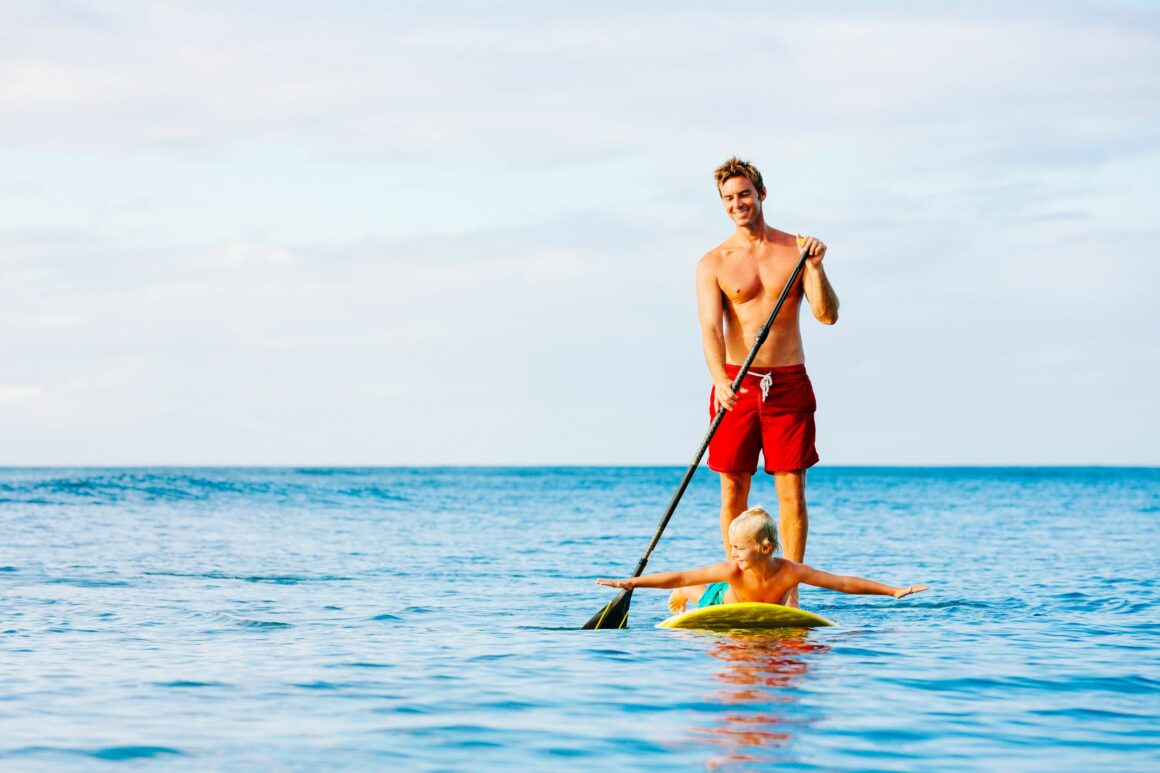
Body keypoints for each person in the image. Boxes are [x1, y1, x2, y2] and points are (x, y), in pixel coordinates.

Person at [696, 156, 839, 606]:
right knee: (733, 487)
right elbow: (709, 330)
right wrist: (720, 380)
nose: (738, 204)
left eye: (744, 194)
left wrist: (814, 268)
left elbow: (827, 315)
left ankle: (788, 590)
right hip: (736, 383)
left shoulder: (795, 251)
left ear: (761, 194)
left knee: (791, 490)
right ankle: (740, 586)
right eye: (729, 198)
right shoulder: (713, 262)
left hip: (788, 383)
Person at [597, 507, 927, 614]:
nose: (734, 553)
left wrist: (892, 591)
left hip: (758, 606)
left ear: (765, 547)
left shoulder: (789, 571)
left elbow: (840, 583)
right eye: (732, 547)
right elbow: (680, 576)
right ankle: (690, 598)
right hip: (719, 604)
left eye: (739, 547)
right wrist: (631, 583)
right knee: (697, 590)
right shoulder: (731, 569)